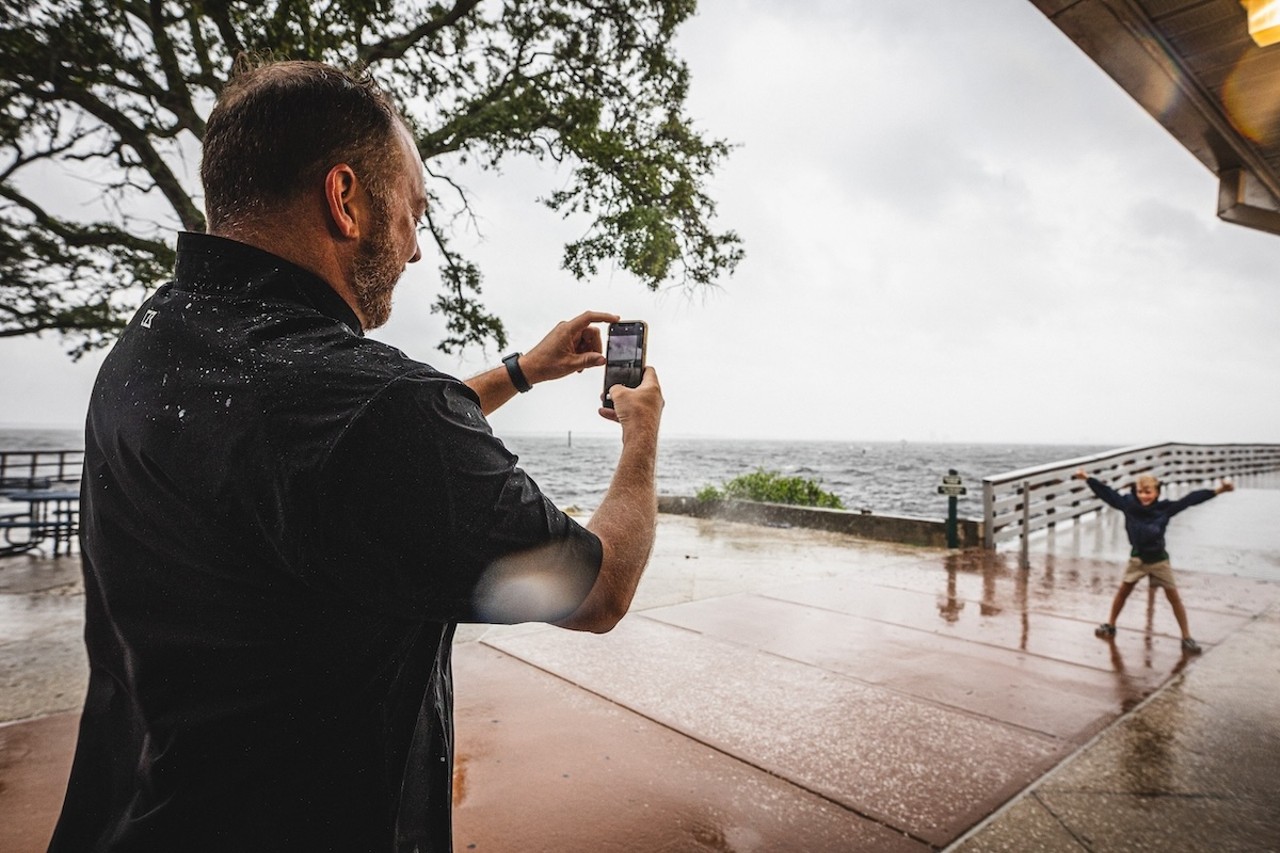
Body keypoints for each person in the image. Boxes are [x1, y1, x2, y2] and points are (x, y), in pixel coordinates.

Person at [50, 58, 663, 853]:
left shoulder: (150, 346)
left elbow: (332, 447)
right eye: (412, 211)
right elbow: (600, 587)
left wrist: (521, 371)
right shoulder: (372, 412)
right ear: (345, 200)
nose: (414, 250)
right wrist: (642, 436)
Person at [1073, 468, 1233, 654]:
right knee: (1123, 592)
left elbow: (1190, 500)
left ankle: (1186, 636)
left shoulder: (1164, 508)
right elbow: (1107, 493)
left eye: (1148, 492)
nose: (1144, 496)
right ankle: (1110, 624)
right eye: (1140, 492)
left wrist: (1218, 491)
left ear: (1157, 492)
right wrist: (1087, 478)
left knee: (1174, 598)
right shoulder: (1129, 505)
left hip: (1159, 560)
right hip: (1138, 559)